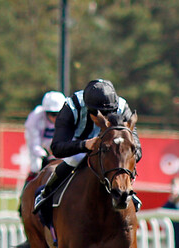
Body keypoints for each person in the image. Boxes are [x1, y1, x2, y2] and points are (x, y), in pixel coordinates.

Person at [33, 78, 141, 213]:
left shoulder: (123, 108)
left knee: (121, 160)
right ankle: (46, 193)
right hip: (78, 142)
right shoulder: (71, 107)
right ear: (88, 107)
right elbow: (57, 148)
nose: (104, 118)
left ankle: (128, 191)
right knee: (74, 160)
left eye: (108, 113)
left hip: (108, 146)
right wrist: (85, 145)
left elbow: (137, 149)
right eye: (98, 113)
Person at [24, 90, 67, 183]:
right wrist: (45, 155)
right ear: (46, 112)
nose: (56, 118)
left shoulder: (69, 117)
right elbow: (34, 144)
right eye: (52, 114)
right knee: (36, 166)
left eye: (59, 113)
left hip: (55, 144)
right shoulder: (34, 119)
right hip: (40, 144)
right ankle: (27, 190)